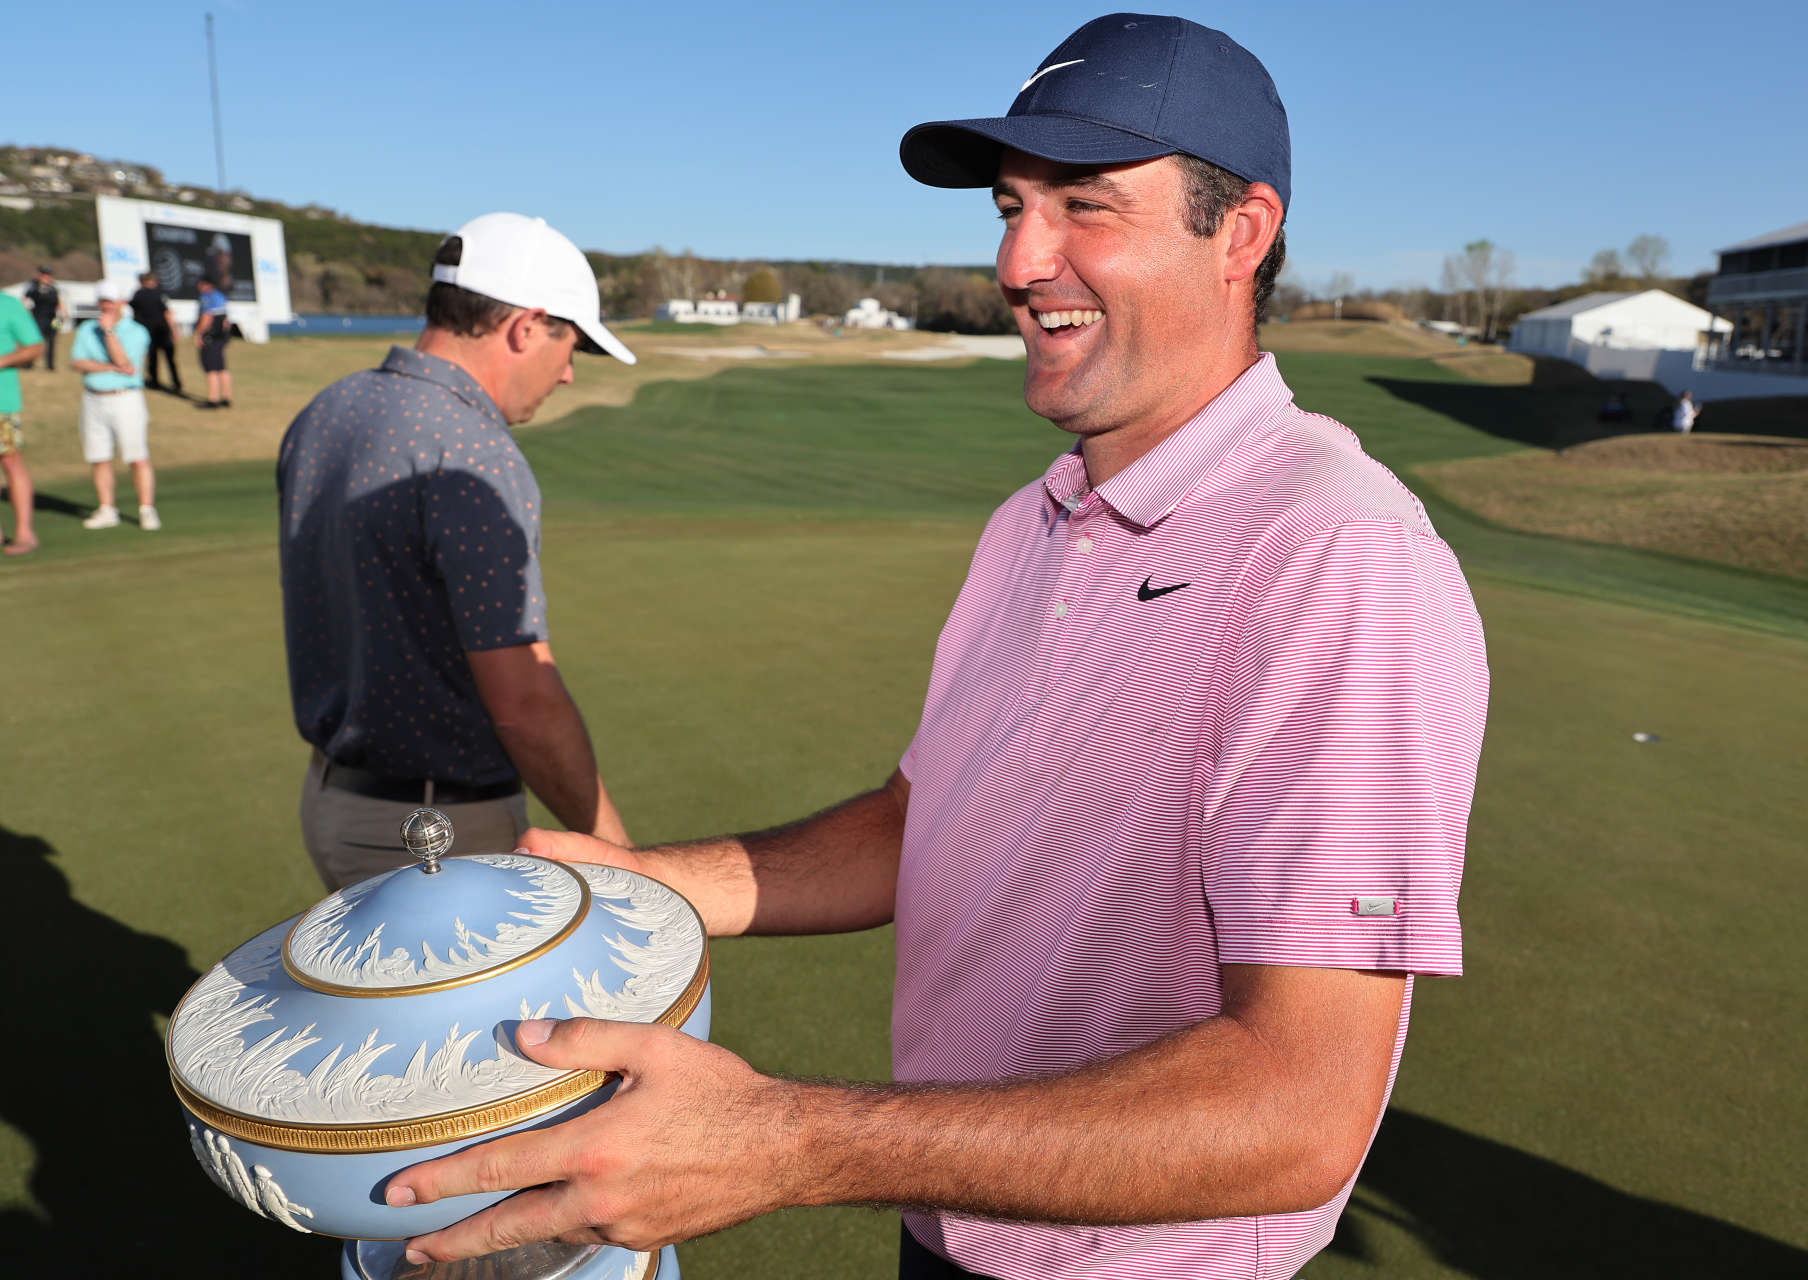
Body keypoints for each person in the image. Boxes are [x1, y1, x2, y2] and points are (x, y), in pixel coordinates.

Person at [384, 16, 1490, 1280]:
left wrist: (783, 1138)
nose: (1022, 259)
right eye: (1013, 205)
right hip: (947, 1222)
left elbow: (1295, 1111)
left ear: (1239, 233)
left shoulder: (1338, 556)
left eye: (1086, 204)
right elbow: (926, 817)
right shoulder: (1035, 518)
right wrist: (641, 883)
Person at [277, 212, 637, 891]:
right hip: (434, 830)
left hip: (333, 800)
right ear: (526, 328)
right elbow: (523, 701)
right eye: (573, 348)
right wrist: (618, 852)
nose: (566, 376)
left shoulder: (329, 410)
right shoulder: (472, 452)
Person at [69, 280, 159, 532]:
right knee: (99, 456)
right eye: (102, 301)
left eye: (110, 300)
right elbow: (77, 362)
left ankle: (146, 509)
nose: (106, 306)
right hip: (93, 396)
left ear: (121, 302)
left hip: (125, 398)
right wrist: (109, 368)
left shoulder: (136, 331)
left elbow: (125, 363)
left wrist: (109, 332)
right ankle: (107, 509)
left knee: (136, 456)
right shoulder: (87, 329)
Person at [0, 289, 46, 554]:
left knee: (9, 460)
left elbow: (35, 346)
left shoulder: (8, 305)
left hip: (2, 402)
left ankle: (25, 534)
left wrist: (3, 360)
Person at [130, 271, 182, 394]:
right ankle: (176, 383)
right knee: (170, 359)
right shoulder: (159, 294)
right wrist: (174, 330)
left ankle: (154, 381)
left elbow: (133, 311)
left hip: (148, 333)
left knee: (152, 358)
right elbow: (167, 313)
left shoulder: (138, 294)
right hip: (163, 332)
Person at [193, 277, 233, 408]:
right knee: (221, 367)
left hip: (210, 338)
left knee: (211, 369)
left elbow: (206, 317)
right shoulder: (220, 296)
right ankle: (226, 398)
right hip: (220, 338)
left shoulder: (207, 297)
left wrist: (198, 334)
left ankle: (212, 399)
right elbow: (226, 321)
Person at [23, 267, 63, 371]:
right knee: (34, 340)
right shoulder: (33, 288)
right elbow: (25, 300)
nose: (47, 278)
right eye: (44, 276)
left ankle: (50, 366)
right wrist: (26, 312)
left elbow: (58, 302)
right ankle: (28, 364)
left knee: (52, 341)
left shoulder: (54, 288)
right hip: (38, 318)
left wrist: (63, 313)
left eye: (48, 276)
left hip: (54, 319)